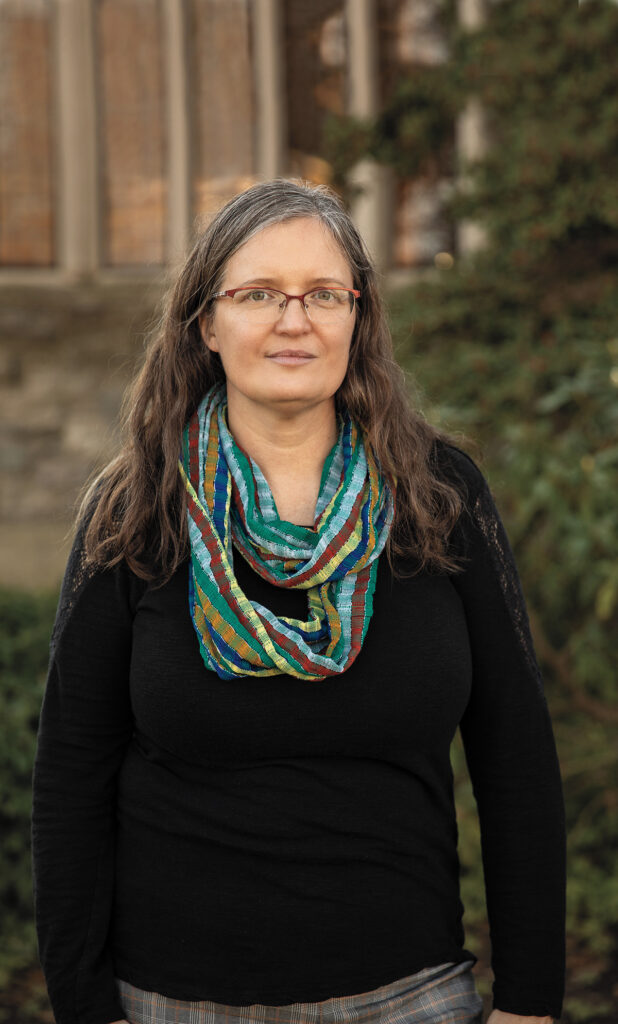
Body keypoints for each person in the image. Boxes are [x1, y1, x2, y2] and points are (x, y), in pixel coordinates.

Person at [32, 179, 566, 1024]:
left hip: (412, 996)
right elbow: (69, 774)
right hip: (171, 1003)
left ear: (358, 317)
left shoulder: (439, 496)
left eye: (324, 293)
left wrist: (531, 1003)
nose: (295, 320)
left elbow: (516, 758)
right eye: (257, 295)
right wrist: (82, 1006)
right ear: (206, 323)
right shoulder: (135, 510)